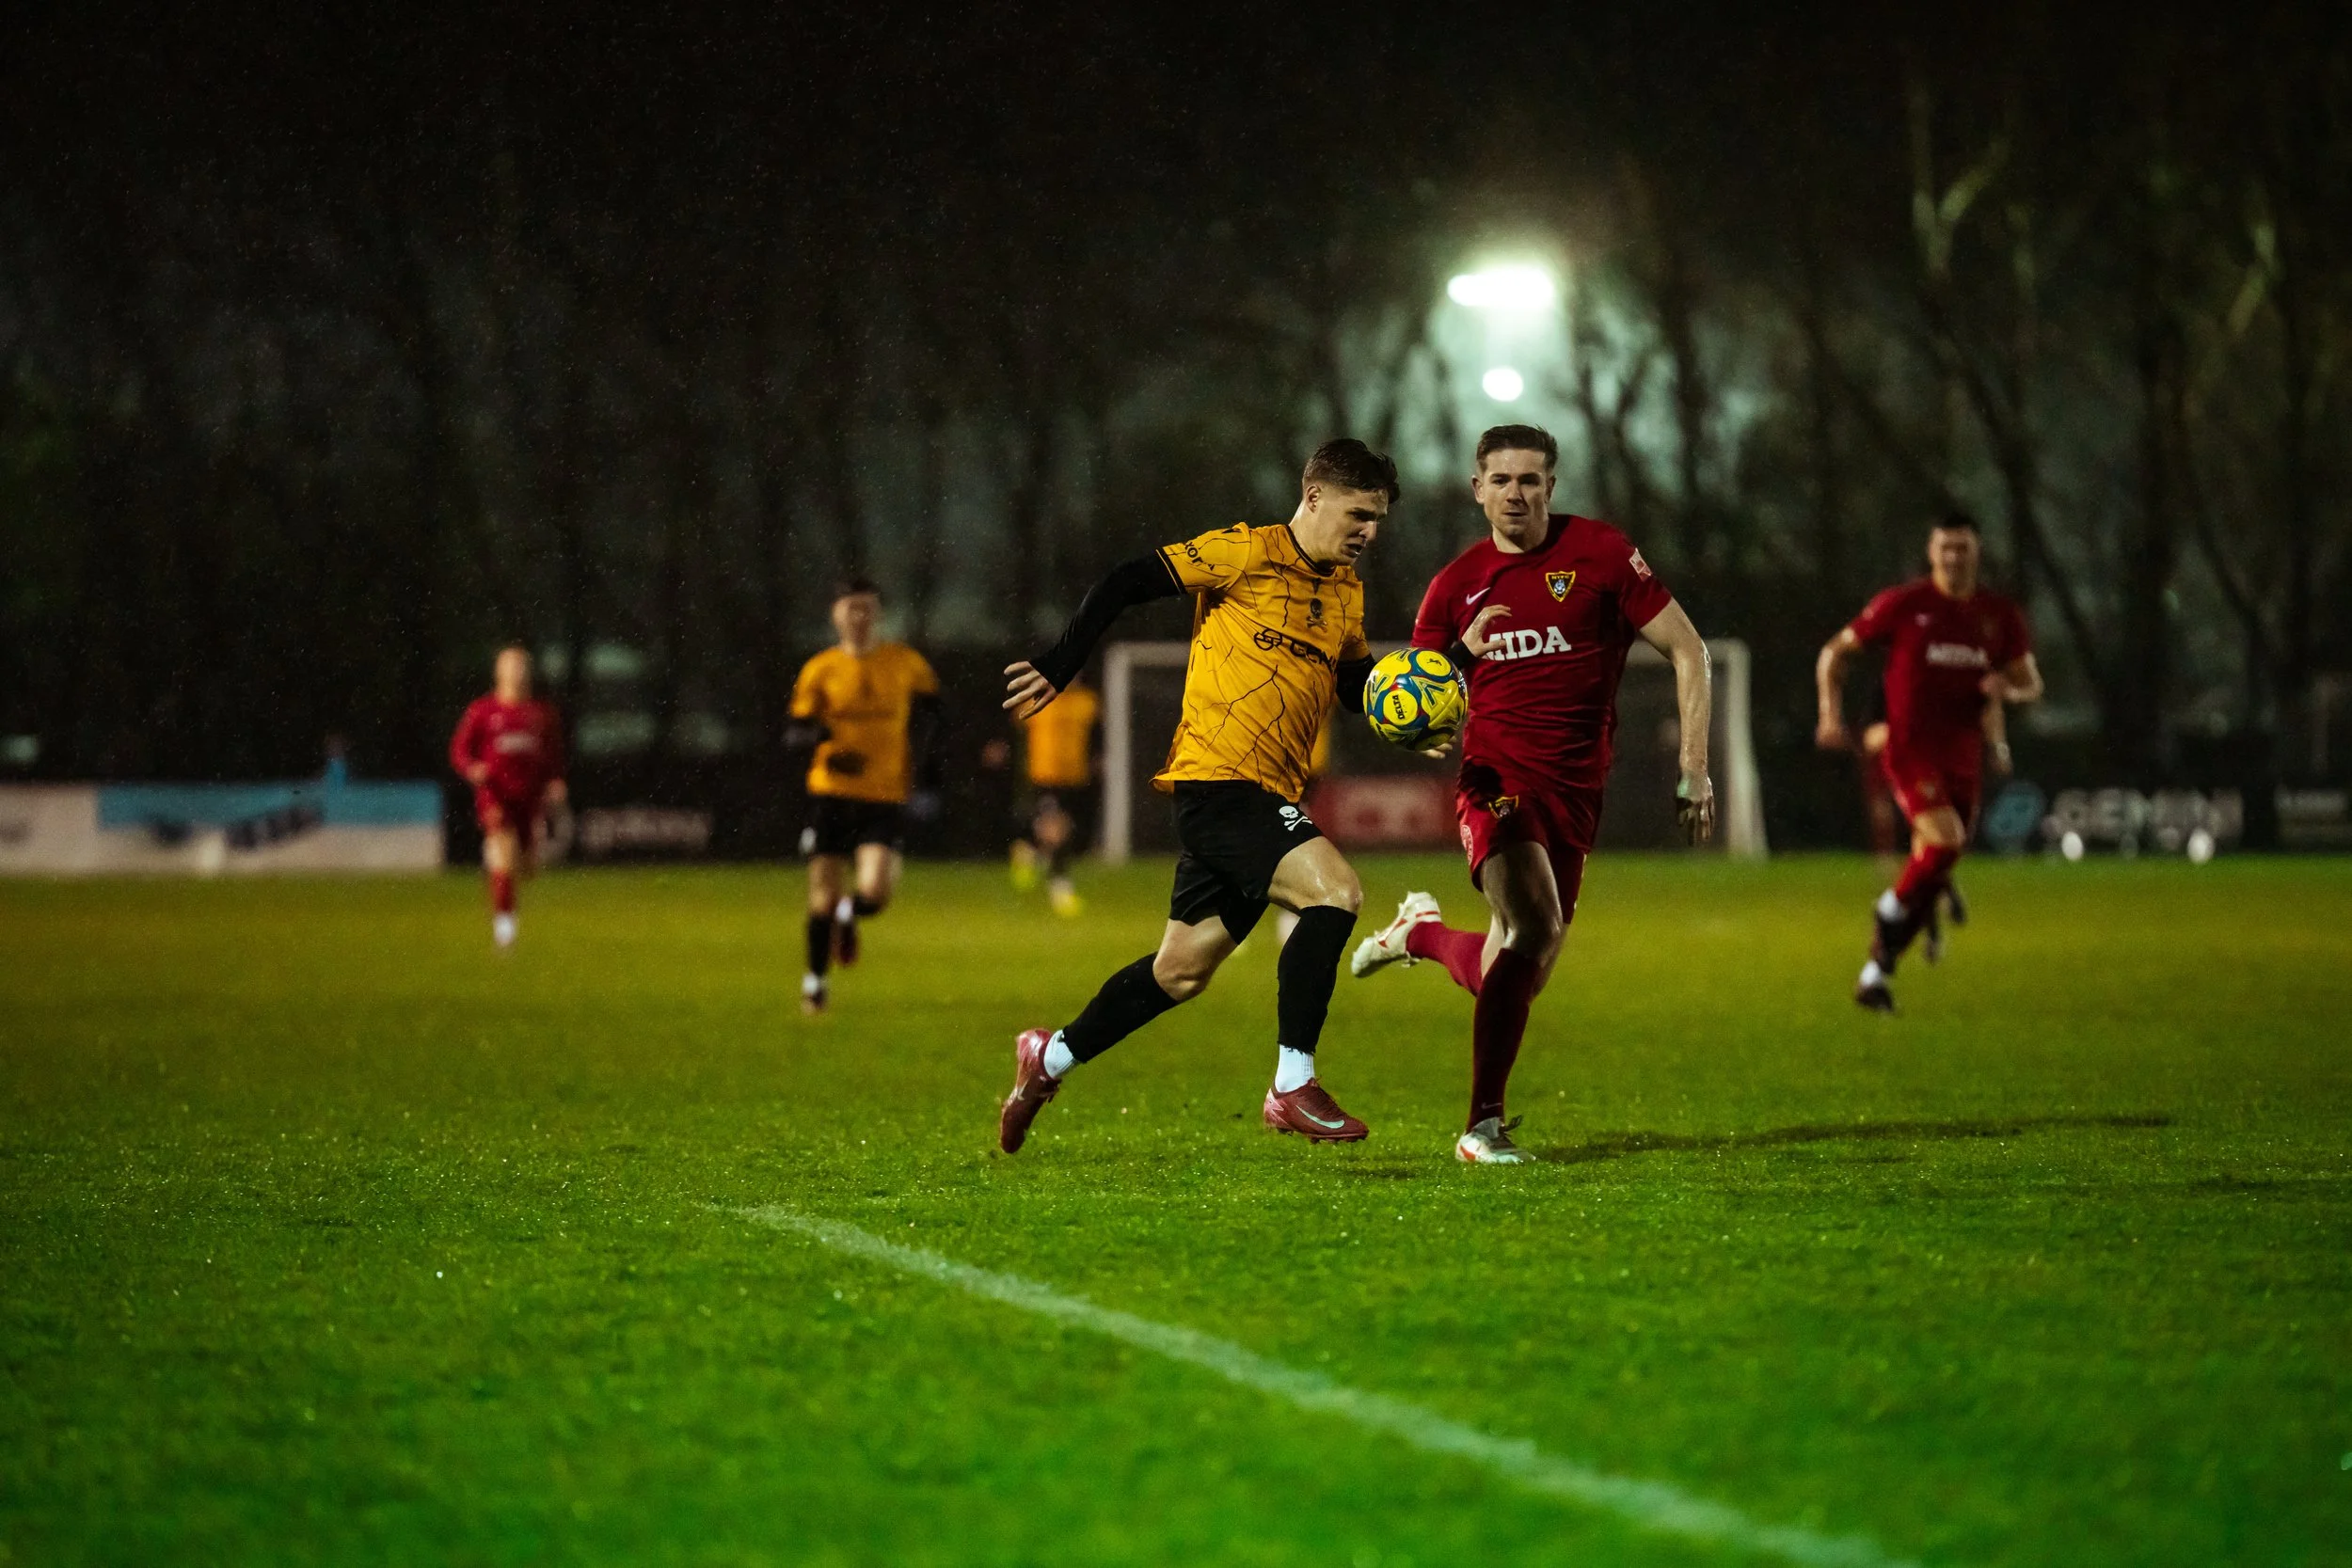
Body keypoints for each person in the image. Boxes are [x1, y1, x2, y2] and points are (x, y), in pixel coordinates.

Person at [995, 438, 1397, 1153]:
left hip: (1267, 788)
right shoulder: (1244, 552)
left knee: (1180, 972)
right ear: (1312, 498)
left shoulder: (1345, 591)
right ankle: (1291, 1083)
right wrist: (1063, 661)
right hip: (1218, 781)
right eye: (1359, 513)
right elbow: (1124, 580)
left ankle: (1047, 1057)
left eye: (1379, 518)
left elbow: (1356, 689)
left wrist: (1437, 688)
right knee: (1335, 893)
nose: (1369, 530)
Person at [1348, 425, 1715, 1164]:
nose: (1516, 492)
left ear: (1552, 485)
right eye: (1502, 479)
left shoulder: (1604, 555)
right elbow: (1410, 695)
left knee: (1510, 971)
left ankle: (1418, 933)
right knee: (1534, 928)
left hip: (1577, 789)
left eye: (1531, 479)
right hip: (1495, 780)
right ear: (1477, 488)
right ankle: (1480, 1127)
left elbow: (1690, 650)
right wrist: (1453, 665)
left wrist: (1694, 769)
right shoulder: (1455, 585)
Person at [1815, 513, 2042, 1011]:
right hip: (1911, 751)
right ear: (1931, 551)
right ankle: (1890, 908)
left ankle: (1876, 972)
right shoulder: (1905, 605)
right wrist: (1829, 715)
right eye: (1946, 547)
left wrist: (2007, 689)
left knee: (1935, 862)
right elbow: (1834, 651)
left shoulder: (1998, 615)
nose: (1954, 557)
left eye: (1963, 548)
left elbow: (2031, 683)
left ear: (1976, 552)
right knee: (1944, 847)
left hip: (1964, 759)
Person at [787, 577, 942, 1015]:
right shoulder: (820, 669)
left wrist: (926, 767)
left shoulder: (905, 663)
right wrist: (821, 740)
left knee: (875, 892)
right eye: (851, 608)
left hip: (885, 793)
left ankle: (848, 915)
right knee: (821, 894)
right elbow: (794, 731)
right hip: (830, 794)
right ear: (835, 614)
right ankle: (815, 983)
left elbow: (934, 715)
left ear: (879, 614)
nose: (859, 616)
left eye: (867, 608)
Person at [449, 645, 567, 949]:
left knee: (526, 868)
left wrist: (555, 782)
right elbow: (459, 751)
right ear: (499, 672)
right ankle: (505, 933)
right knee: (503, 860)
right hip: (495, 797)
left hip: (530, 799)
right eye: (511, 666)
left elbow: (554, 757)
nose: (517, 673)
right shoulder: (482, 711)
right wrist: (471, 768)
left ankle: (507, 877)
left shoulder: (541, 714)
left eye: (522, 667)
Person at [1010, 673, 1101, 917]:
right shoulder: (1036, 699)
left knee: (1066, 833)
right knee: (1056, 835)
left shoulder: (1087, 702)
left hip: (1076, 778)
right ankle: (1061, 892)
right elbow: (1017, 733)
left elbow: (1096, 737)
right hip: (1044, 777)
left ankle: (1028, 851)